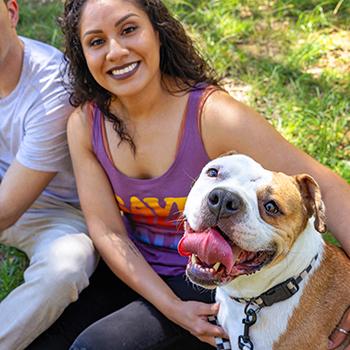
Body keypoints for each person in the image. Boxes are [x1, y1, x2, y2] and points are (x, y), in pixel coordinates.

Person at [50, 0, 350, 349]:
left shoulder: (212, 114)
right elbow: (107, 230)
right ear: (82, 54)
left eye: (129, 29)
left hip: (208, 273)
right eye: (96, 41)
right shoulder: (86, 124)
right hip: (136, 270)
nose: (116, 51)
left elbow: (324, 185)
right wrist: (172, 308)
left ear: (158, 33)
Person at [0, 1, 98, 349]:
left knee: (65, 270)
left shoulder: (53, 84)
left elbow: (6, 210)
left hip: (57, 212)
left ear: (12, 12)